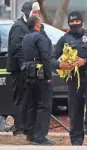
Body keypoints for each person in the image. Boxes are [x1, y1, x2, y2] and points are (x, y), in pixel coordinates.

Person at [52, 11, 87, 146]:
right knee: (75, 110)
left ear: (82, 22)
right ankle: (76, 140)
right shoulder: (64, 39)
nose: (75, 24)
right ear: (69, 23)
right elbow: (51, 58)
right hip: (73, 79)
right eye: (72, 22)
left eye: (77, 22)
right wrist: (60, 64)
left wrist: (85, 61)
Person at [6, 1, 41, 136]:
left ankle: (28, 126)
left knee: (30, 98)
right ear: (28, 13)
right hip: (20, 70)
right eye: (35, 13)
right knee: (22, 98)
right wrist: (26, 66)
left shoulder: (32, 27)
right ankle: (19, 127)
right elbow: (17, 48)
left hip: (29, 69)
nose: (37, 15)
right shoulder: (18, 27)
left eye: (38, 13)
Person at [22, 16, 55, 145]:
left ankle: (30, 134)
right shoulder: (41, 38)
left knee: (32, 104)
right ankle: (40, 137)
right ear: (37, 25)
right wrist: (48, 76)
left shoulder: (26, 38)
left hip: (28, 73)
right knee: (44, 105)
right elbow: (46, 57)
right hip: (40, 73)